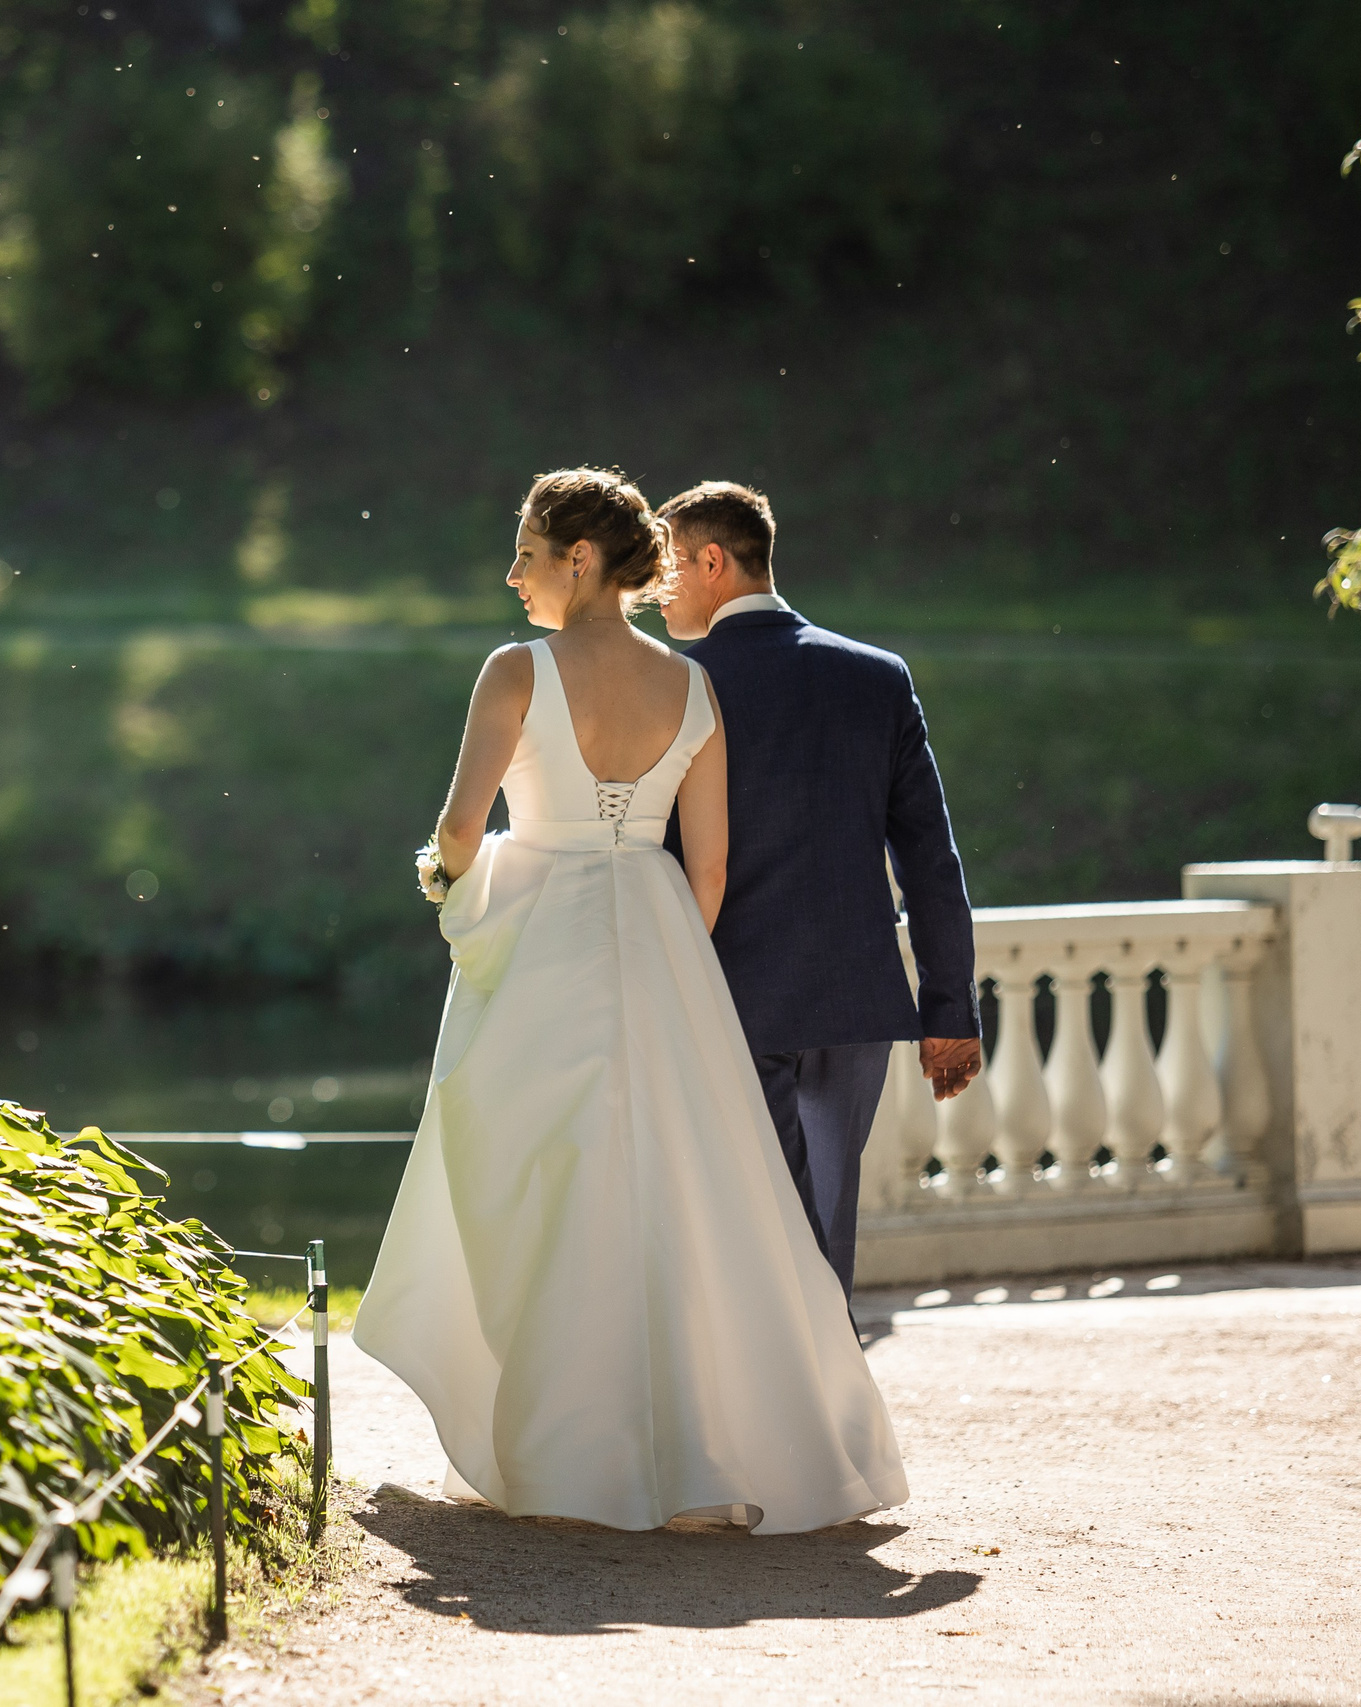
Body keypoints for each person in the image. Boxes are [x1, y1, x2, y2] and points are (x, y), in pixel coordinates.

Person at [354, 468, 906, 1534]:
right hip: (656, 935)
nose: (510, 576)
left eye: (523, 552)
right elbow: (708, 868)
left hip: (544, 935)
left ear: (576, 559)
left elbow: (461, 832)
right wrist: (663, 967)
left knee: (539, 1176)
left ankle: (571, 1448)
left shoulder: (515, 671)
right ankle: (705, 1449)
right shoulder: (691, 688)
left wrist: (449, 889)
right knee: (685, 1194)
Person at [658, 482, 981, 1299]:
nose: (657, 589)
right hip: (853, 1006)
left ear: (712, 561)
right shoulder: (876, 676)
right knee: (821, 1231)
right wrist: (949, 1008)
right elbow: (930, 859)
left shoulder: (678, 686)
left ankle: (798, 1410)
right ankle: (826, 1404)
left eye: (667, 567)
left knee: (760, 1237)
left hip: (729, 998)